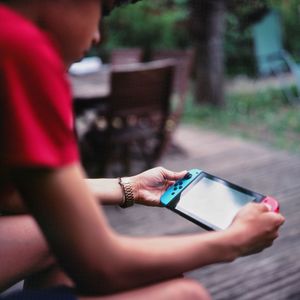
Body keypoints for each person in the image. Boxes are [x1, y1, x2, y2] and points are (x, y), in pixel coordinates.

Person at [0, 0, 285, 299]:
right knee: (186, 293)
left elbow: (14, 197)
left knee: (56, 233)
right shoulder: (20, 48)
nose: (98, 36)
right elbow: (101, 265)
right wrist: (235, 241)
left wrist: (130, 187)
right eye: (104, 10)